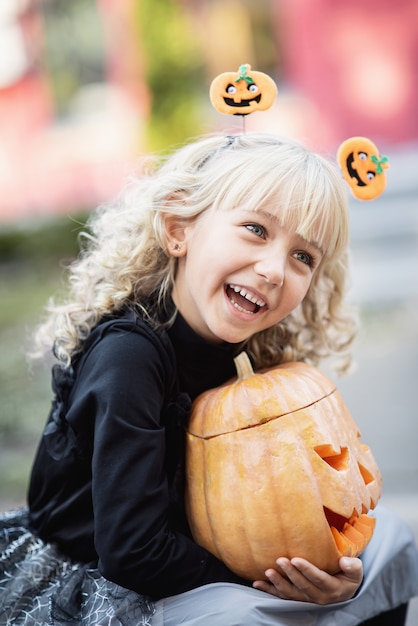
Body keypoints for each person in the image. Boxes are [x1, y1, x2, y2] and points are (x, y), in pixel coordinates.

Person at [1, 133, 417, 626]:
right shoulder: (129, 357)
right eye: (255, 230)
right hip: (101, 578)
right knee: (249, 618)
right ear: (179, 229)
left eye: (303, 256)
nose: (274, 270)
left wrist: (327, 567)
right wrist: (276, 586)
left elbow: (286, 504)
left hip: (195, 554)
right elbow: (133, 552)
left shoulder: (253, 355)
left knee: (390, 543)